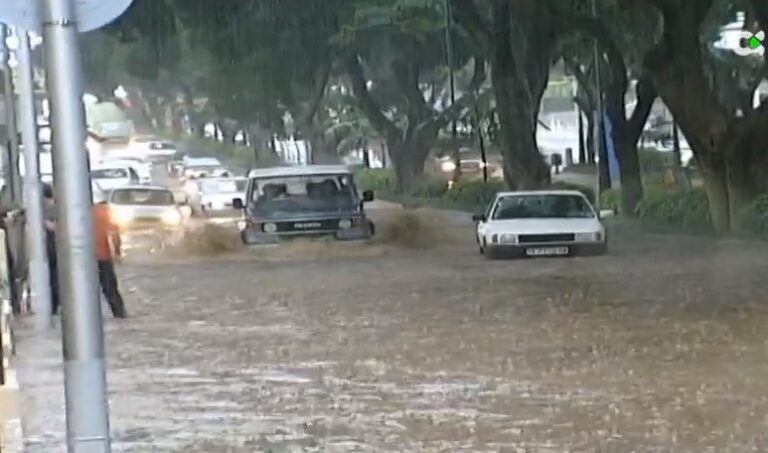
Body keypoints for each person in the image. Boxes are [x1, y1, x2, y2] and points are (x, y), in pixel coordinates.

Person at [92, 189, 127, 318]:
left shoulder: (76, 212)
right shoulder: (106, 212)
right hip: (103, 257)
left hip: (83, 259)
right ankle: (120, 314)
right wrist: (117, 253)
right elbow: (114, 235)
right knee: (110, 289)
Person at [42, 184, 59, 315]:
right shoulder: (42, 211)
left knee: (56, 283)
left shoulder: (57, 209)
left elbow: (60, 228)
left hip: (57, 253)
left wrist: (44, 223)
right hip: (48, 254)